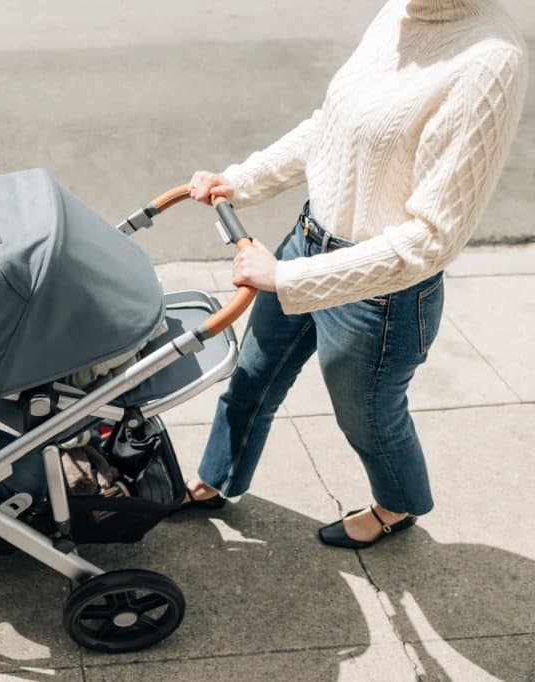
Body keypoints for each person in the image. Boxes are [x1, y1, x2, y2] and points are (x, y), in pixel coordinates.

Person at [179, 0, 528, 548]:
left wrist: (288, 280)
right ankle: (216, 479)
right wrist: (241, 180)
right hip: (305, 245)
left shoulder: (489, 63)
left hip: (381, 296)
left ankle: (398, 506)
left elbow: (432, 240)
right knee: (249, 380)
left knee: (367, 420)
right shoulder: (399, 12)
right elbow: (332, 127)